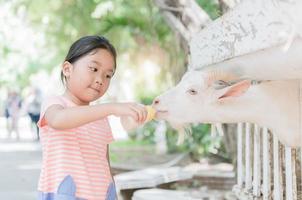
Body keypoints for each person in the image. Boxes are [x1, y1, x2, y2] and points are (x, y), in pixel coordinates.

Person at [37, 35, 148, 200]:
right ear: (67, 69)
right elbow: (58, 120)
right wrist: (112, 107)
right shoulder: (55, 104)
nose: (100, 80)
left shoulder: (100, 117)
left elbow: (105, 164)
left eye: (108, 75)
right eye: (94, 69)